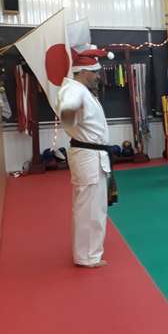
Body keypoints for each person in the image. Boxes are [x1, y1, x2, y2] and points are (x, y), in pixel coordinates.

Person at [57, 49, 114, 268]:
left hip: (91, 154)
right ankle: (87, 256)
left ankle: (86, 253)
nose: (98, 76)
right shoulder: (74, 90)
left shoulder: (82, 90)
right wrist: (68, 115)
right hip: (88, 155)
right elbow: (67, 110)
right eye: (95, 72)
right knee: (90, 208)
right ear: (83, 72)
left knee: (91, 206)